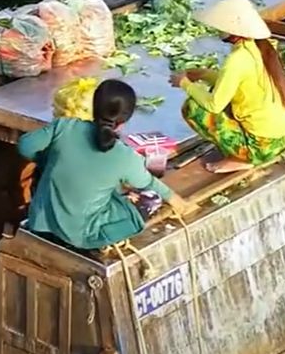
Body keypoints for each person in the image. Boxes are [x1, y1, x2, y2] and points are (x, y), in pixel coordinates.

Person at [18, 79, 195, 251]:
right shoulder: (125, 157)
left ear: (94, 108)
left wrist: (49, 160)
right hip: (81, 235)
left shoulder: (65, 126)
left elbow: (25, 146)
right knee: (149, 199)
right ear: (125, 120)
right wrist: (178, 202)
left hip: (43, 220)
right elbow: (149, 183)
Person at [169, 0, 285, 174]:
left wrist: (185, 84)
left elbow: (214, 104)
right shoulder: (262, 47)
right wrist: (204, 74)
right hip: (283, 138)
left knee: (193, 108)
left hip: (262, 149)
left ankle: (241, 158)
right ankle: (242, 151)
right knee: (215, 92)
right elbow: (239, 84)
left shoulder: (237, 59)